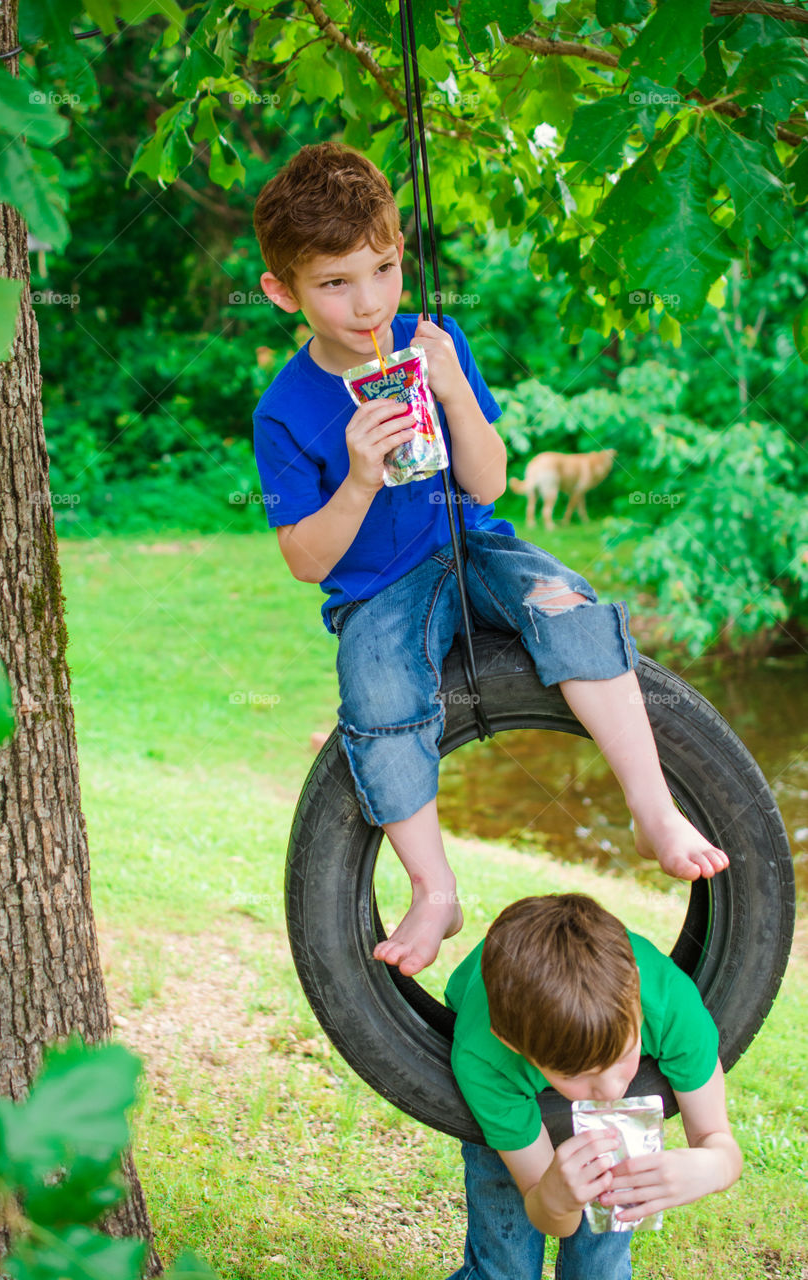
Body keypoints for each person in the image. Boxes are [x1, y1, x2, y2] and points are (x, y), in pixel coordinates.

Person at [251, 141, 729, 977]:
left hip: (473, 544)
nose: (368, 302)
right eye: (334, 283)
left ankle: (652, 808)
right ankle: (433, 888)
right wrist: (360, 478)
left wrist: (457, 395)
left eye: (384, 269)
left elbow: (489, 477)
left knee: (568, 607)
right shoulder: (283, 410)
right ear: (281, 290)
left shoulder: (433, 343)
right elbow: (301, 557)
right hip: (379, 593)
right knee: (376, 695)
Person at [445, 893, 742, 1280]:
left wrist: (714, 1166)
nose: (611, 1092)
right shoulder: (485, 1058)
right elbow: (549, 1213)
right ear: (513, 1045)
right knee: (504, 1268)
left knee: (601, 1269)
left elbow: (716, 1136)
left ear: (637, 1000)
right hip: (512, 1089)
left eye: (623, 1058)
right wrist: (555, 1198)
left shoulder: (671, 1003)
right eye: (578, 1074)